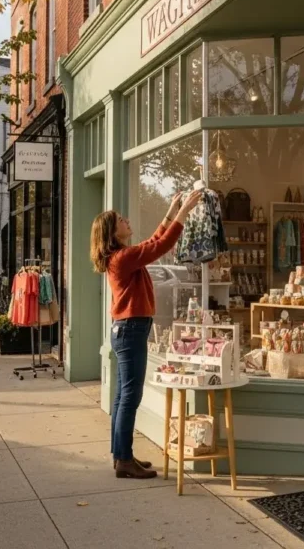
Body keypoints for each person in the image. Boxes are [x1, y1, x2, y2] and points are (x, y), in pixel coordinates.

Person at [90, 190, 203, 479]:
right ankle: (124, 459)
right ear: (112, 232)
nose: (127, 221)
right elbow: (162, 245)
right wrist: (184, 211)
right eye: (121, 220)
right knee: (130, 396)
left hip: (126, 329)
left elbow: (152, 242)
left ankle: (121, 456)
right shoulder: (122, 258)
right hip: (131, 329)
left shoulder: (121, 256)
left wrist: (171, 210)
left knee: (121, 397)